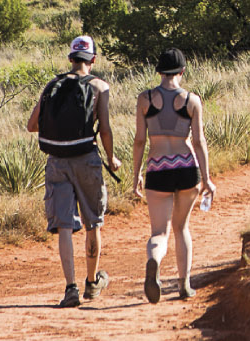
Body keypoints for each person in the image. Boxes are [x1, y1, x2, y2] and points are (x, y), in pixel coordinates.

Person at [27, 35, 121, 308]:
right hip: (86, 160)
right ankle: (92, 283)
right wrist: (112, 158)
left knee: (65, 225)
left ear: (70, 58)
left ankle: (70, 288)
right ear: (93, 59)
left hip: (56, 161)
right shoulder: (100, 86)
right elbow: (104, 128)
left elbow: (32, 125)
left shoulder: (52, 85)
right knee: (93, 221)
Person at [129, 46, 214, 302]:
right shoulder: (192, 100)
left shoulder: (144, 99)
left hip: (157, 168)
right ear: (182, 71)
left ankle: (154, 259)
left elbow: (139, 141)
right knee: (182, 228)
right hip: (187, 168)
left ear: (158, 72)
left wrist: (136, 177)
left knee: (159, 233)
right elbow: (198, 141)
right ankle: (184, 285)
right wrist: (207, 178)